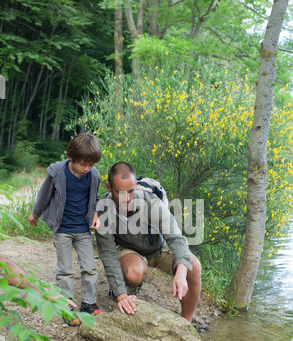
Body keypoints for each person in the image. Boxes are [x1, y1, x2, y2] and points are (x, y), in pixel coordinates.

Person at [95, 162, 201, 323]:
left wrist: (181, 272)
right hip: (130, 250)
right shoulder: (103, 209)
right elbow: (108, 254)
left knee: (193, 266)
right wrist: (121, 295)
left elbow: (176, 238)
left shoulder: (151, 203)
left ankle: (186, 323)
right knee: (133, 273)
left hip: (159, 247)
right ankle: (126, 286)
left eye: (131, 191)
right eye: (120, 192)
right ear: (109, 188)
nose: (127, 198)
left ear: (136, 185)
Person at [28, 133, 102, 326]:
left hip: (83, 229)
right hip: (63, 229)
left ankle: (88, 303)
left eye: (91, 164)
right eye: (83, 164)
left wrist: (95, 215)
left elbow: (95, 199)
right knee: (65, 270)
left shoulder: (93, 175)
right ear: (71, 157)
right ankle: (65, 306)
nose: (87, 168)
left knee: (89, 268)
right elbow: (45, 194)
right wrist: (35, 213)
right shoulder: (57, 173)